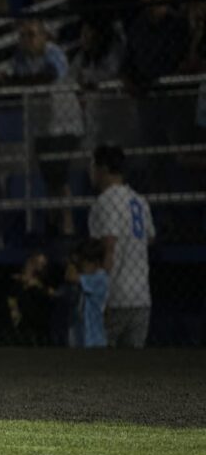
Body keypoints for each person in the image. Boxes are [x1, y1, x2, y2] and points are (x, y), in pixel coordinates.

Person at [88, 145, 154, 348]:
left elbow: (109, 246)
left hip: (115, 297)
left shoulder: (106, 200)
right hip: (141, 296)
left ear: (103, 169)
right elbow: (149, 238)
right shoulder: (139, 201)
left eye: (93, 166)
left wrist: (97, 297)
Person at [66, 239, 108, 349]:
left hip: (94, 339)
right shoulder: (88, 276)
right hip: (81, 335)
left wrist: (71, 261)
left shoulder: (100, 277)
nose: (80, 266)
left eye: (83, 262)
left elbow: (70, 276)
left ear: (96, 263)